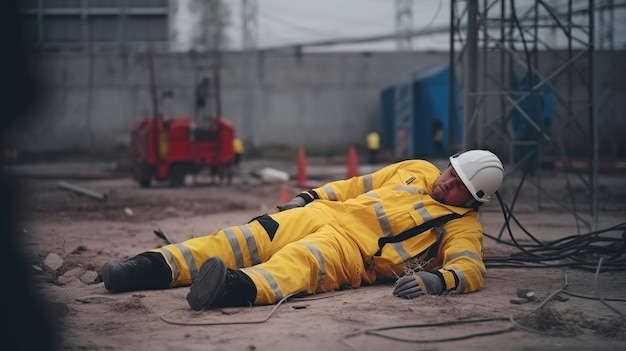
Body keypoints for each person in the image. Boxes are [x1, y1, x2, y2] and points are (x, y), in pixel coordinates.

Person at [101, 149, 504, 310]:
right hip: (323, 213)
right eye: (451, 173)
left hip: (352, 252)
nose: (446, 183)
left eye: (458, 187)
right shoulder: (417, 169)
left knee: (297, 264)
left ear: (474, 200)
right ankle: (144, 268)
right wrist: (307, 198)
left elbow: (471, 268)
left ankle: (227, 288)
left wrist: (440, 282)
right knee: (240, 238)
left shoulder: (462, 226)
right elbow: (354, 186)